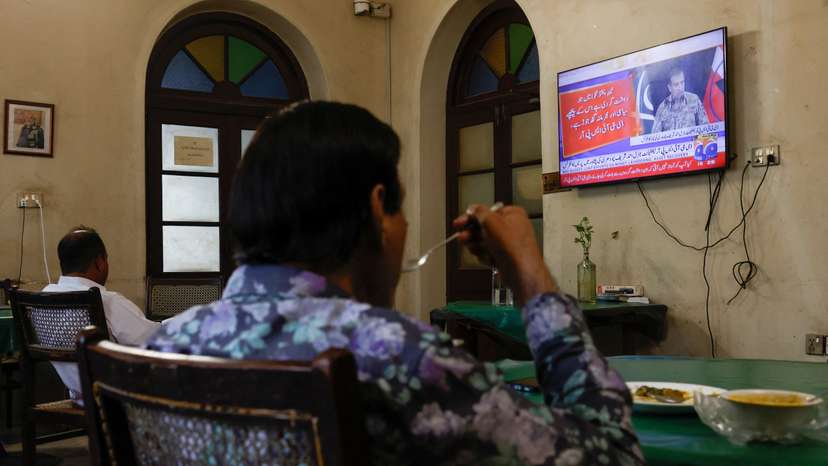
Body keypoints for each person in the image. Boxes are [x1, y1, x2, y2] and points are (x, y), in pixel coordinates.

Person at [145, 102, 644, 466]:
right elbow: (612, 455)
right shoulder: (401, 357)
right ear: (378, 207)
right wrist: (531, 277)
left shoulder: (163, 346)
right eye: (400, 206)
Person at [43, 227, 160, 403]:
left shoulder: (44, 296)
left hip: (78, 396)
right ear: (99, 262)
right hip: (117, 399)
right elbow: (155, 340)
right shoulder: (106, 300)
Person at [651, 67, 709, 133]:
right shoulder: (662, 108)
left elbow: (706, 128)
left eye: (682, 82)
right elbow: (655, 136)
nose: (680, 87)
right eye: (676, 84)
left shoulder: (694, 100)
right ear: (669, 88)